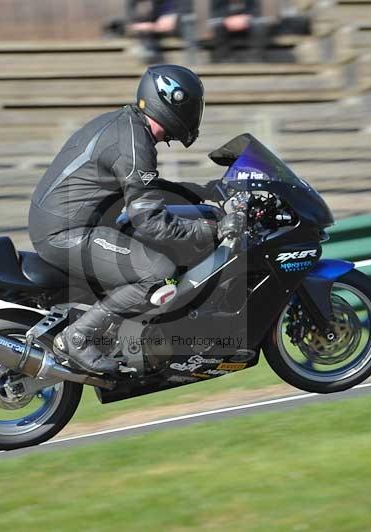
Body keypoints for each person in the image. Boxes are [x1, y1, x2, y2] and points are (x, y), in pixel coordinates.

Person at [28, 65, 236, 375]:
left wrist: (201, 192)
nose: (196, 113)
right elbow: (150, 221)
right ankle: (78, 337)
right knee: (158, 273)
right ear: (173, 102)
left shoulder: (127, 128)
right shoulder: (134, 142)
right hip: (65, 232)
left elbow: (146, 189)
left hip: (67, 224)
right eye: (193, 106)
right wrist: (213, 231)